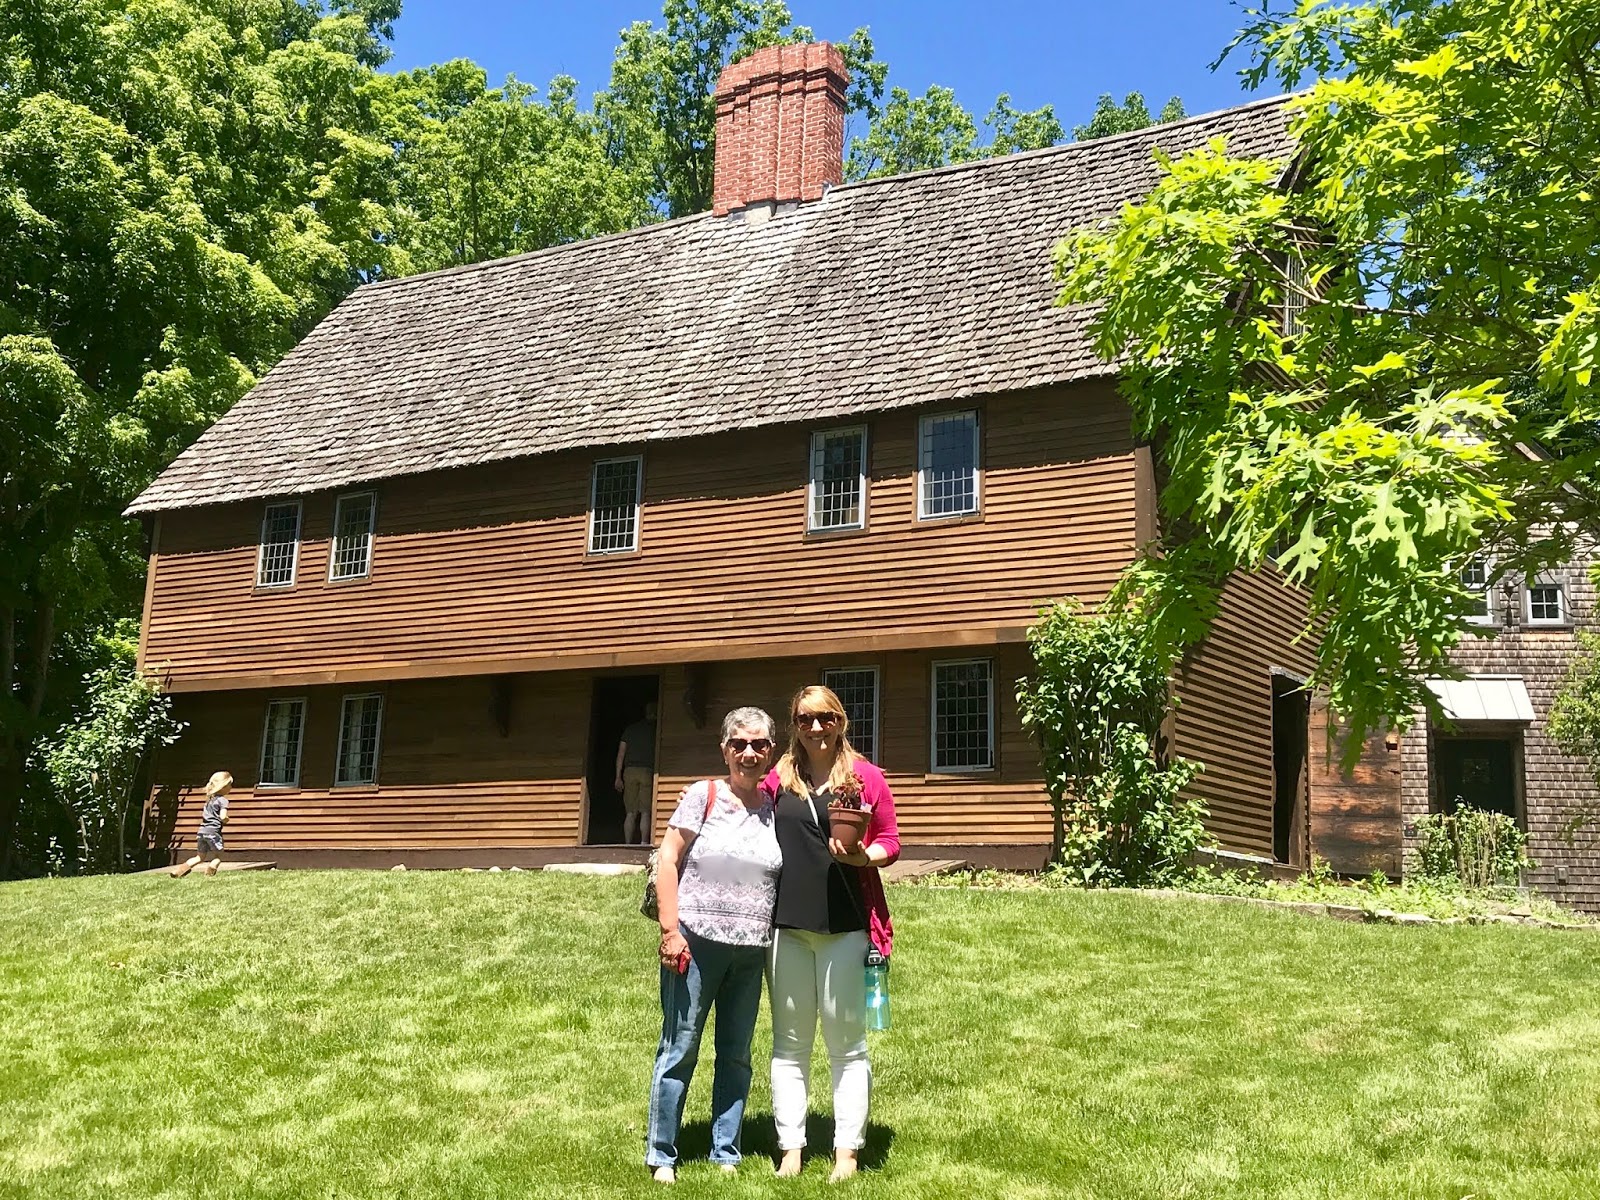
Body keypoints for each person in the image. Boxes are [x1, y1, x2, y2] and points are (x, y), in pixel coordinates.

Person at [763, 685, 900, 1183]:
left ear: (841, 721)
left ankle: (847, 1151)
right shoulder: (777, 779)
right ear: (794, 724)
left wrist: (866, 857)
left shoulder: (864, 778)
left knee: (847, 1045)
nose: (815, 728)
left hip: (846, 927)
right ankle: (791, 1148)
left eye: (824, 718)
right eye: (804, 719)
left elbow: (890, 840)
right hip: (787, 929)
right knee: (789, 1045)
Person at [646, 707, 783, 1184]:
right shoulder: (701, 796)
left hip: (752, 949)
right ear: (724, 749)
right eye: (740, 744)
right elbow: (668, 857)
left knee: (737, 1052)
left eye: (760, 744)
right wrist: (670, 930)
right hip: (696, 944)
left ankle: (726, 1149)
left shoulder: (775, 802)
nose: (749, 752)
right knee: (680, 1047)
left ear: (771, 751)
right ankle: (662, 1153)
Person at [170, 771, 233, 878]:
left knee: (199, 857)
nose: (231, 787)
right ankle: (209, 874)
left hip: (202, 831)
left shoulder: (209, 800)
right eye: (229, 785)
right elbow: (223, 816)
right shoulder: (223, 800)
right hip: (213, 832)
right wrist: (226, 819)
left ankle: (179, 871)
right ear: (223, 786)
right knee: (218, 856)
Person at [615, 701, 659, 845]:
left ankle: (627, 843)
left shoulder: (630, 730)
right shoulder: (656, 730)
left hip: (629, 771)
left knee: (630, 812)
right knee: (645, 811)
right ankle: (643, 842)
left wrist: (618, 777)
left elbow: (621, 754)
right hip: (647, 771)